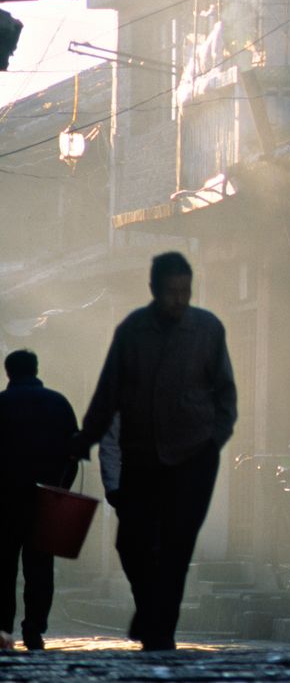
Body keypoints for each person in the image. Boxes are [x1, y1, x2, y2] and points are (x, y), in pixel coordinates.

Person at [73, 252, 237, 652]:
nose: (179, 300)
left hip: (194, 455)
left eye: (185, 292)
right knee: (131, 541)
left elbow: (225, 392)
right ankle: (150, 610)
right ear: (154, 290)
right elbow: (108, 391)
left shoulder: (207, 330)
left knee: (178, 544)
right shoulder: (132, 331)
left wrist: (215, 438)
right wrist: (86, 437)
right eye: (171, 292)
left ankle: (160, 630)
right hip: (143, 455)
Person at [0, 348, 79, 653]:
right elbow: (74, 454)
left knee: (4, 569)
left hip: (4, 502)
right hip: (45, 500)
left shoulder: (2, 404)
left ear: (9, 372)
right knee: (40, 570)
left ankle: (3, 630)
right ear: (36, 368)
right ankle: (34, 629)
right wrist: (60, 490)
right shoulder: (58, 403)